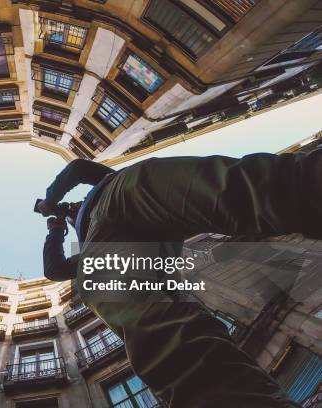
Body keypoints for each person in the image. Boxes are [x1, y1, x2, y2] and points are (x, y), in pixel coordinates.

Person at [38, 153, 322, 408]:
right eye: (70, 208)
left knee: (241, 188)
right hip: (104, 242)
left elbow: (78, 168)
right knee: (164, 333)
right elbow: (55, 269)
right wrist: (57, 228)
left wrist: (51, 200)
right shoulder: (84, 245)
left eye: (73, 205)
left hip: (121, 191)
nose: (71, 207)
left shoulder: (107, 183)